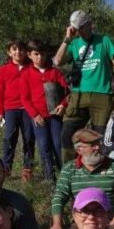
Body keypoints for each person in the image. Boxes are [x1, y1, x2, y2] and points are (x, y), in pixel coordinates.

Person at [53, 10, 114, 162]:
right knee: (67, 132)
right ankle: (70, 170)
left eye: (81, 27)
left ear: (89, 24)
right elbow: (57, 61)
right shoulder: (73, 43)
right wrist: (67, 39)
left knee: (100, 136)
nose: (79, 31)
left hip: (102, 95)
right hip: (78, 95)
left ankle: (101, 168)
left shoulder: (104, 40)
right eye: (76, 28)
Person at [45, 128, 114, 229]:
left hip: (111, 224)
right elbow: (59, 196)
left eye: (98, 143)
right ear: (79, 150)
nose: (98, 147)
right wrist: (57, 223)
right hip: (81, 224)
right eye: (92, 145)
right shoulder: (69, 169)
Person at [21, 38, 68, 181]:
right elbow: (25, 98)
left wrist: (63, 105)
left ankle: (65, 175)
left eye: (42, 53)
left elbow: (67, 91)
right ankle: (50, 178)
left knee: (58, 144)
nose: (39, 57)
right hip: (39, 117)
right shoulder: (26, 74)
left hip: (55, 116)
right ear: (29, 55)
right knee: (44, 146)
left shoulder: (55, 72)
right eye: (36, 54)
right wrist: (35, 115)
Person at [0, 38, 35, 181]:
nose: (18, 52)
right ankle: (6, 168)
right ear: (9, 52)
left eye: (21, 49)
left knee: (29, 138)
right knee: (9, 138)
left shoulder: (32, 67)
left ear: (26, 52)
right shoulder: (3, 70)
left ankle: (28, 168)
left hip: (29, 108)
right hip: (10, 108)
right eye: (14, 49)